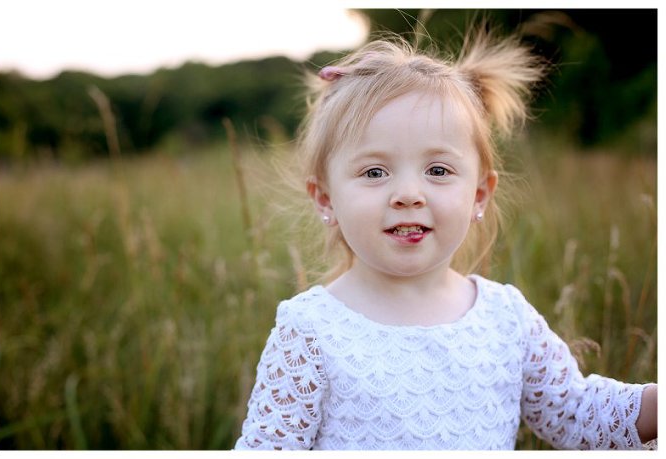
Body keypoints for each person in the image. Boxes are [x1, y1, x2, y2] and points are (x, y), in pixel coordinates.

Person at [233, 29, 657, 450]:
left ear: (479, 195)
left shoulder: (505, 320)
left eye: (437, 171)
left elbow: (579, 415)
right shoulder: (310, 331)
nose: (408, 194)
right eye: (374, 172)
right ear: (326, 199)